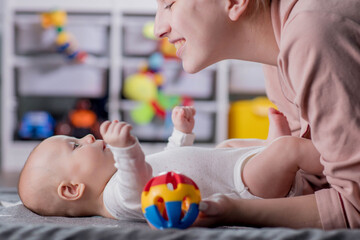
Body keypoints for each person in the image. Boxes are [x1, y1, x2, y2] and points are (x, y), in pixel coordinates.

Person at [153, 0, 360, 230]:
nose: (158, 29)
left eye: (169, 4)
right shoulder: (277, 51)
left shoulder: (311, 34)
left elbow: (355, 204)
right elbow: (321, 177)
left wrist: (230, 209)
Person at [18, 106, 321, 221]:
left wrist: (181, 134)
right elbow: (138, 175)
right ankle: (343, 164)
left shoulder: (117, 183)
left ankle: (271, 148)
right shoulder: (117, 199)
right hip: (247, 189)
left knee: (228, 146)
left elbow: (165, 166)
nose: (86, 137)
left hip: (237, 172)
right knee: (289, 150)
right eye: (75, 146)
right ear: (72, 189)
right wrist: (125, 148)